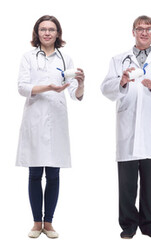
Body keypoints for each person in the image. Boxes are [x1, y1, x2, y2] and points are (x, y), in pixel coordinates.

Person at [101, 15, 151, 239]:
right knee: (126, 182)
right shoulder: (118, 60)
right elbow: (105, 88)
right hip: (127, 127)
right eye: (140, 29)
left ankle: (147, 223)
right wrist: (121, 82)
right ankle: (128, 225)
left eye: (149, 29)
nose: (144, 32)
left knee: (148, 180)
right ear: (133, 32)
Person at [17, 15, 85, 239]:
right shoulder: (28, 57)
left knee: (54, 173)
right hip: (35, 119)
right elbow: (22, 87)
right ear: (37, 33)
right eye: (43, 29)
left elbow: (75, 95)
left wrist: (81, 84)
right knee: (35, 172)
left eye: (51, 29)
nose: (47, 33)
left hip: (56, 120)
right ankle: (37, 223)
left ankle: (50, 223)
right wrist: (46, 87)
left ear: (58, 33)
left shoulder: (66, 59)